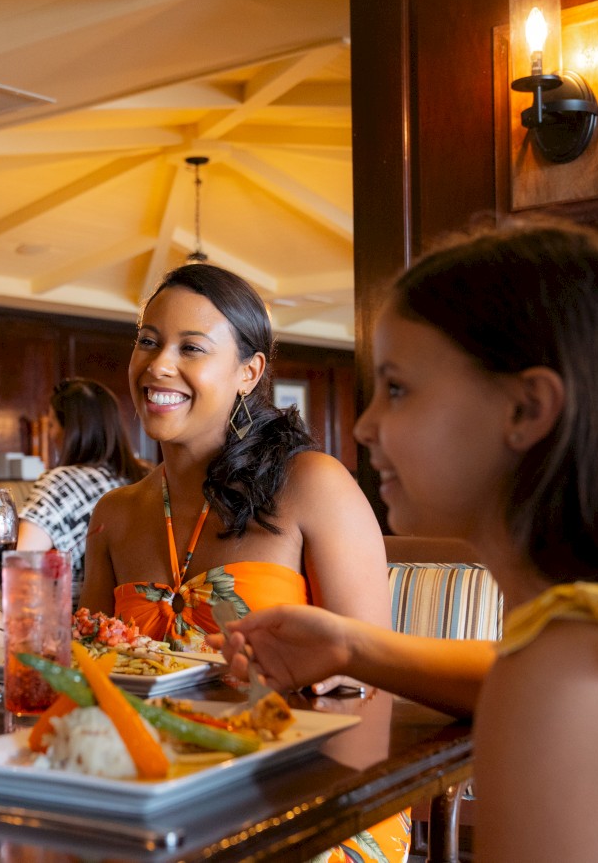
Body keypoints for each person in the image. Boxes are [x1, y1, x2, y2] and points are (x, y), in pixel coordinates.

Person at [214, 219, 598, 861]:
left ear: (527, 410)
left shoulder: (568, 669)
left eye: (397, 388)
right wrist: (345, 645)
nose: (364, 426)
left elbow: (535, 688)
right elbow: (505, 677)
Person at [77, 262, 391, 651]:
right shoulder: (114, 514)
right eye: (147, 341)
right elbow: (85, 668)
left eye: (191, 348)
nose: (158, 365)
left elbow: (369, 672)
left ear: (249, 372)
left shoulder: (313, 484)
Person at [0, 378, 150, 651]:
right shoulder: (142, 480)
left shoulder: (64, 482)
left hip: (60, 636)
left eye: (52, 424)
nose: (51, 435)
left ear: (71, 430)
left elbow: (12, 557)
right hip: (131, 634)